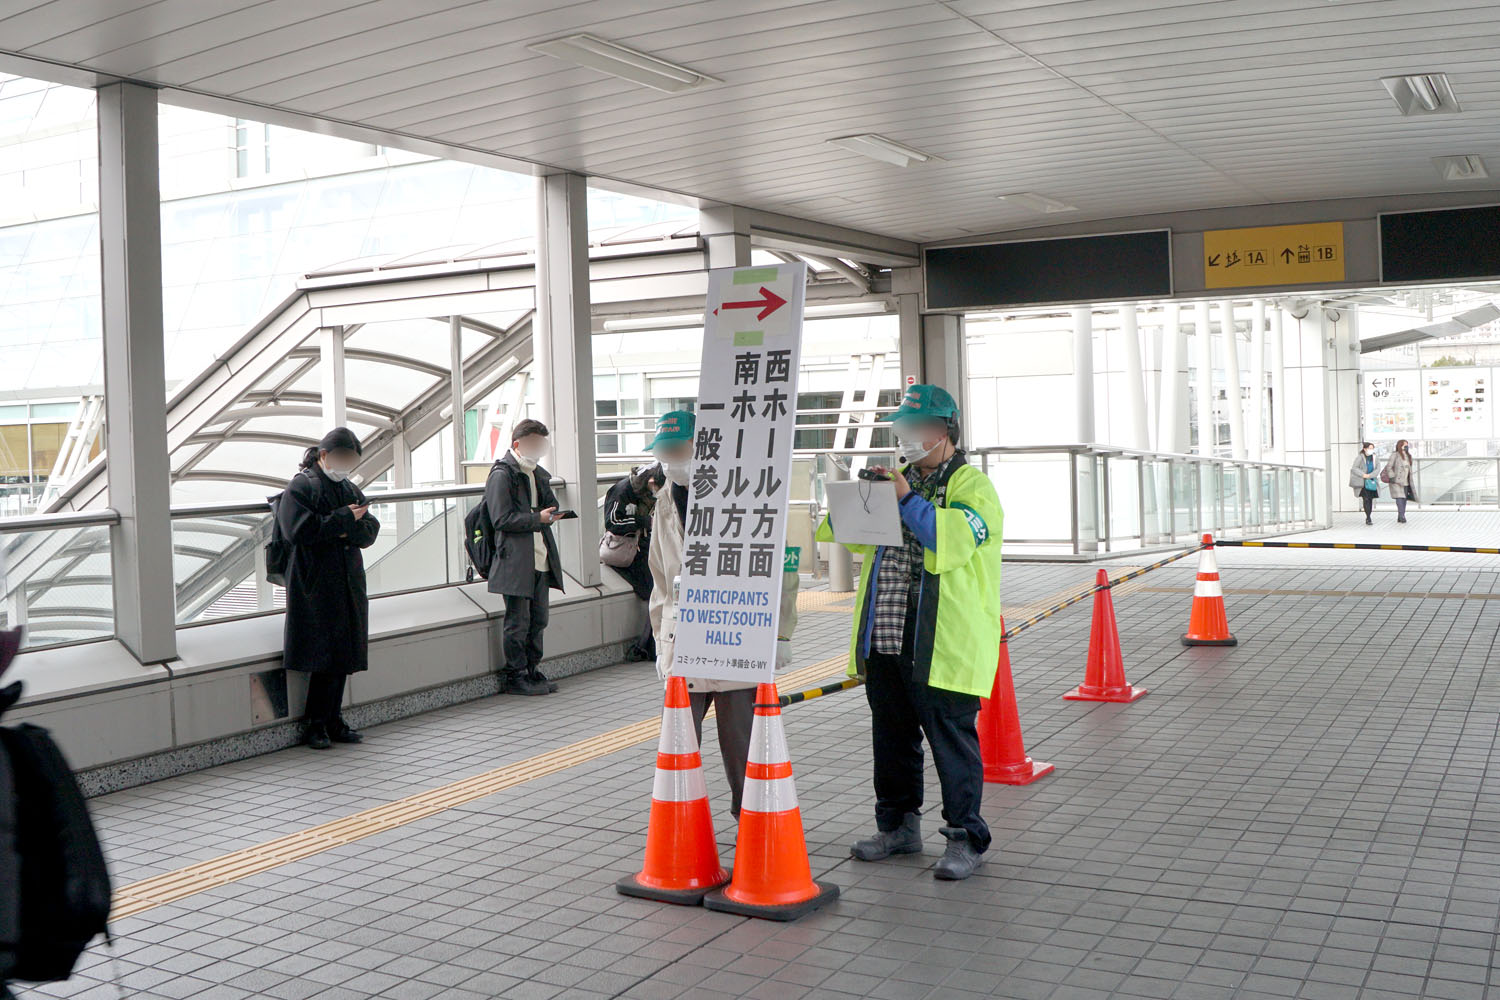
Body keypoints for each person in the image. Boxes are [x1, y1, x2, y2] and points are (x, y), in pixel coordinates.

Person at [817, 384, 1003, 881]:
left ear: (945, 431)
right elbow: (850, 538)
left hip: (943, 642)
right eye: (903, 428)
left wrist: (903, 499)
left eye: (918, 428)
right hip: (886, 631)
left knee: (951, 739)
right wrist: (860, 499)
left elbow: (953, 538)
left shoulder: (971, 485)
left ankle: (966, 837)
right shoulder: (895, 481)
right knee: (892, 737)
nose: (908, 437)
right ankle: (898, 826)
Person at [646, 411, 757, 819]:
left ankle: (751, 824)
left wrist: (779, 633)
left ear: (702, 447)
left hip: (734, 632)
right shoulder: (664, 501)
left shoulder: (742, 492)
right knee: (677, 741)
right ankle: (680, 827)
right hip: (682, 637)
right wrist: (660, 642)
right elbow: (660, 580)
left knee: (742, 744)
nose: (671, 460)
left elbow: (775, 566)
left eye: (678, 449)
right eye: (665, 453)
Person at [279, 427, 381, 750]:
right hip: (316, 583)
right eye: (342, 458)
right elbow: (299, 530)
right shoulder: (302, 486)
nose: (346, 465)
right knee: (323, 654)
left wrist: (341, 527)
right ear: (324, 455)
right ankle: (317, 724)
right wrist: (343, 521)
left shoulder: (348, 487)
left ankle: (334, 719)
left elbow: (370, 529)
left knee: (344, 653)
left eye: (351, 460)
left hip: (347, 581)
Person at [485, 419, 565, 696]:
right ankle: (516, 675)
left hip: (540, 557)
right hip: (515, 560)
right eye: (535, 443)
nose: (540, 448)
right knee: (518, 621)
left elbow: (548, 504)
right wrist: (536, 518)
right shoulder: (502, 474)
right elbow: (500, 518)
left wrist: (550, 513)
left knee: (539, 619)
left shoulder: (536, 473)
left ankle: (532, 670)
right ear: (518, 444)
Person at [602, 463, 665, 662]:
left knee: (656, 592)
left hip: (641, 547)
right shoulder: (622, 491)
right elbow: (612, 523)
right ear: (651, 482)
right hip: (625, 552)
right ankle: (647, 646)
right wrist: (642, 521)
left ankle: (649, 645)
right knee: (655, 592)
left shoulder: (645, 492)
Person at [1383, 439, 1415, 523]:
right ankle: (1402, 516)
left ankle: (1400, 515)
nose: (1406, 447)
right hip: (1396, 481)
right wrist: (1392, 477)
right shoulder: (1395, 455)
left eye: (1407, 445)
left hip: (1406, 480)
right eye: (1404, 445)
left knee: (1404, 499)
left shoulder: (1408, 456)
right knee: (1399, 498)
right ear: (1400, 446)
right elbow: (1389, 467)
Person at [1349, 442, 1379, 525]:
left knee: (1370, 499)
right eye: (1370, 448)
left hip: (1372, 480)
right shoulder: (1360, 457)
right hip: (1363, 482)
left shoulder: (1375, 457)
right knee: (1366, 499)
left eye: (1372, 448)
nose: (1371, 450)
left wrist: (1370, 475)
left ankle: (1369, 515)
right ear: (1365, 449)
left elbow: (1378, 468)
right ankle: (1368, 517)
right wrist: (1363, 475)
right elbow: (1354, 468)